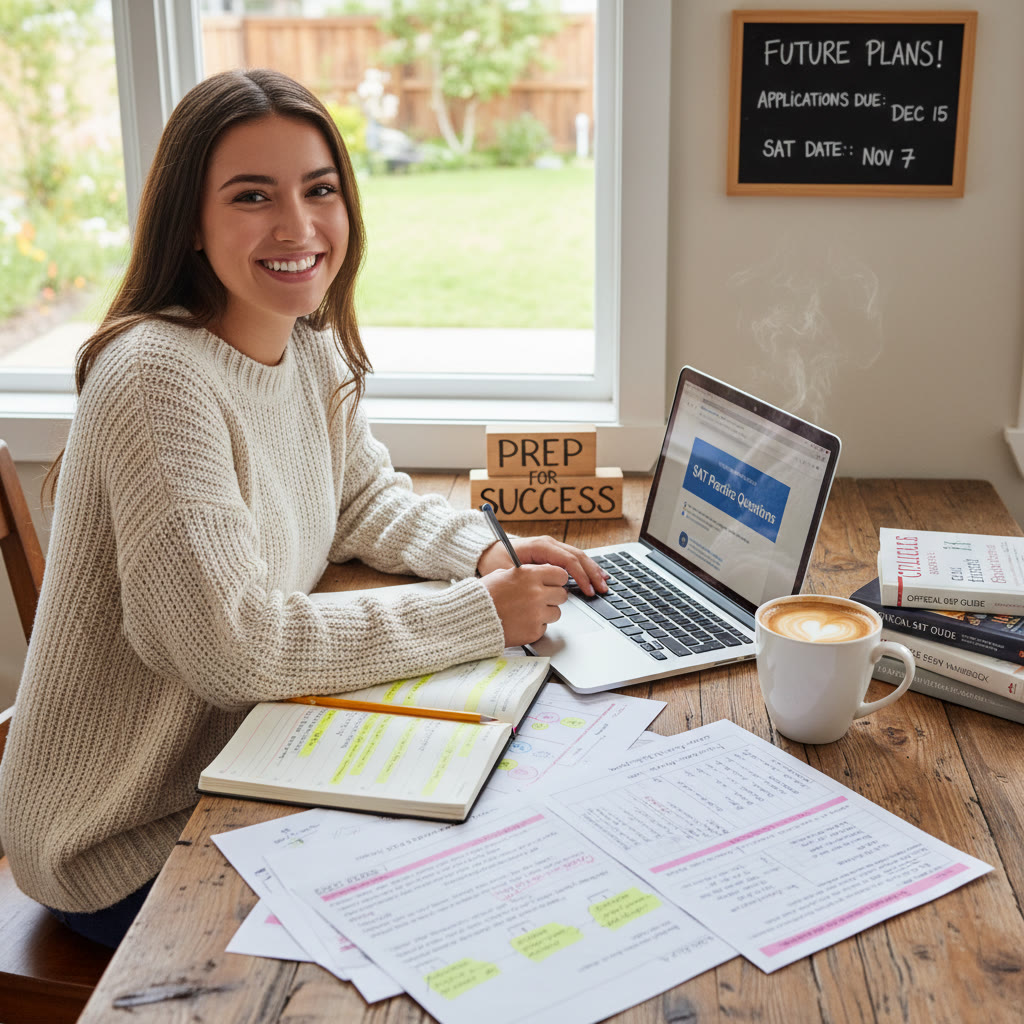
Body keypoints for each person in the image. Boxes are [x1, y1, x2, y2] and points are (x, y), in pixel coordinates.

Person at [0, 68, 607, 949]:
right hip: (122, 838)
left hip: (241, 757)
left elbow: (358, 498)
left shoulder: (308, 341)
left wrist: (481, 553)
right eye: (253, 197)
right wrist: (477, 616)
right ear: (192, 223)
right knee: (462, 903)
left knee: (510, 826)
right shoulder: (156, 379)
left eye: (319, 190)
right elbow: (233, 648)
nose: (298, 227)